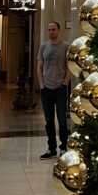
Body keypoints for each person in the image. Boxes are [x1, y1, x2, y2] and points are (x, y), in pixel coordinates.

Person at [36, 21, 71, 160]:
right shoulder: (44, 46)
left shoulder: (66, 47)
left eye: (53, 29)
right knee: (49, 120)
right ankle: (51, 148)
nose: (51, 32)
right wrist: (41, 85)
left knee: (62, 119)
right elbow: (39, 66)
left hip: (60, 88)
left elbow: (70, 66)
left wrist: (64, 83)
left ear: (59, 30)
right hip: (46, 88)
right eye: (49, 30)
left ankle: (64, 147)